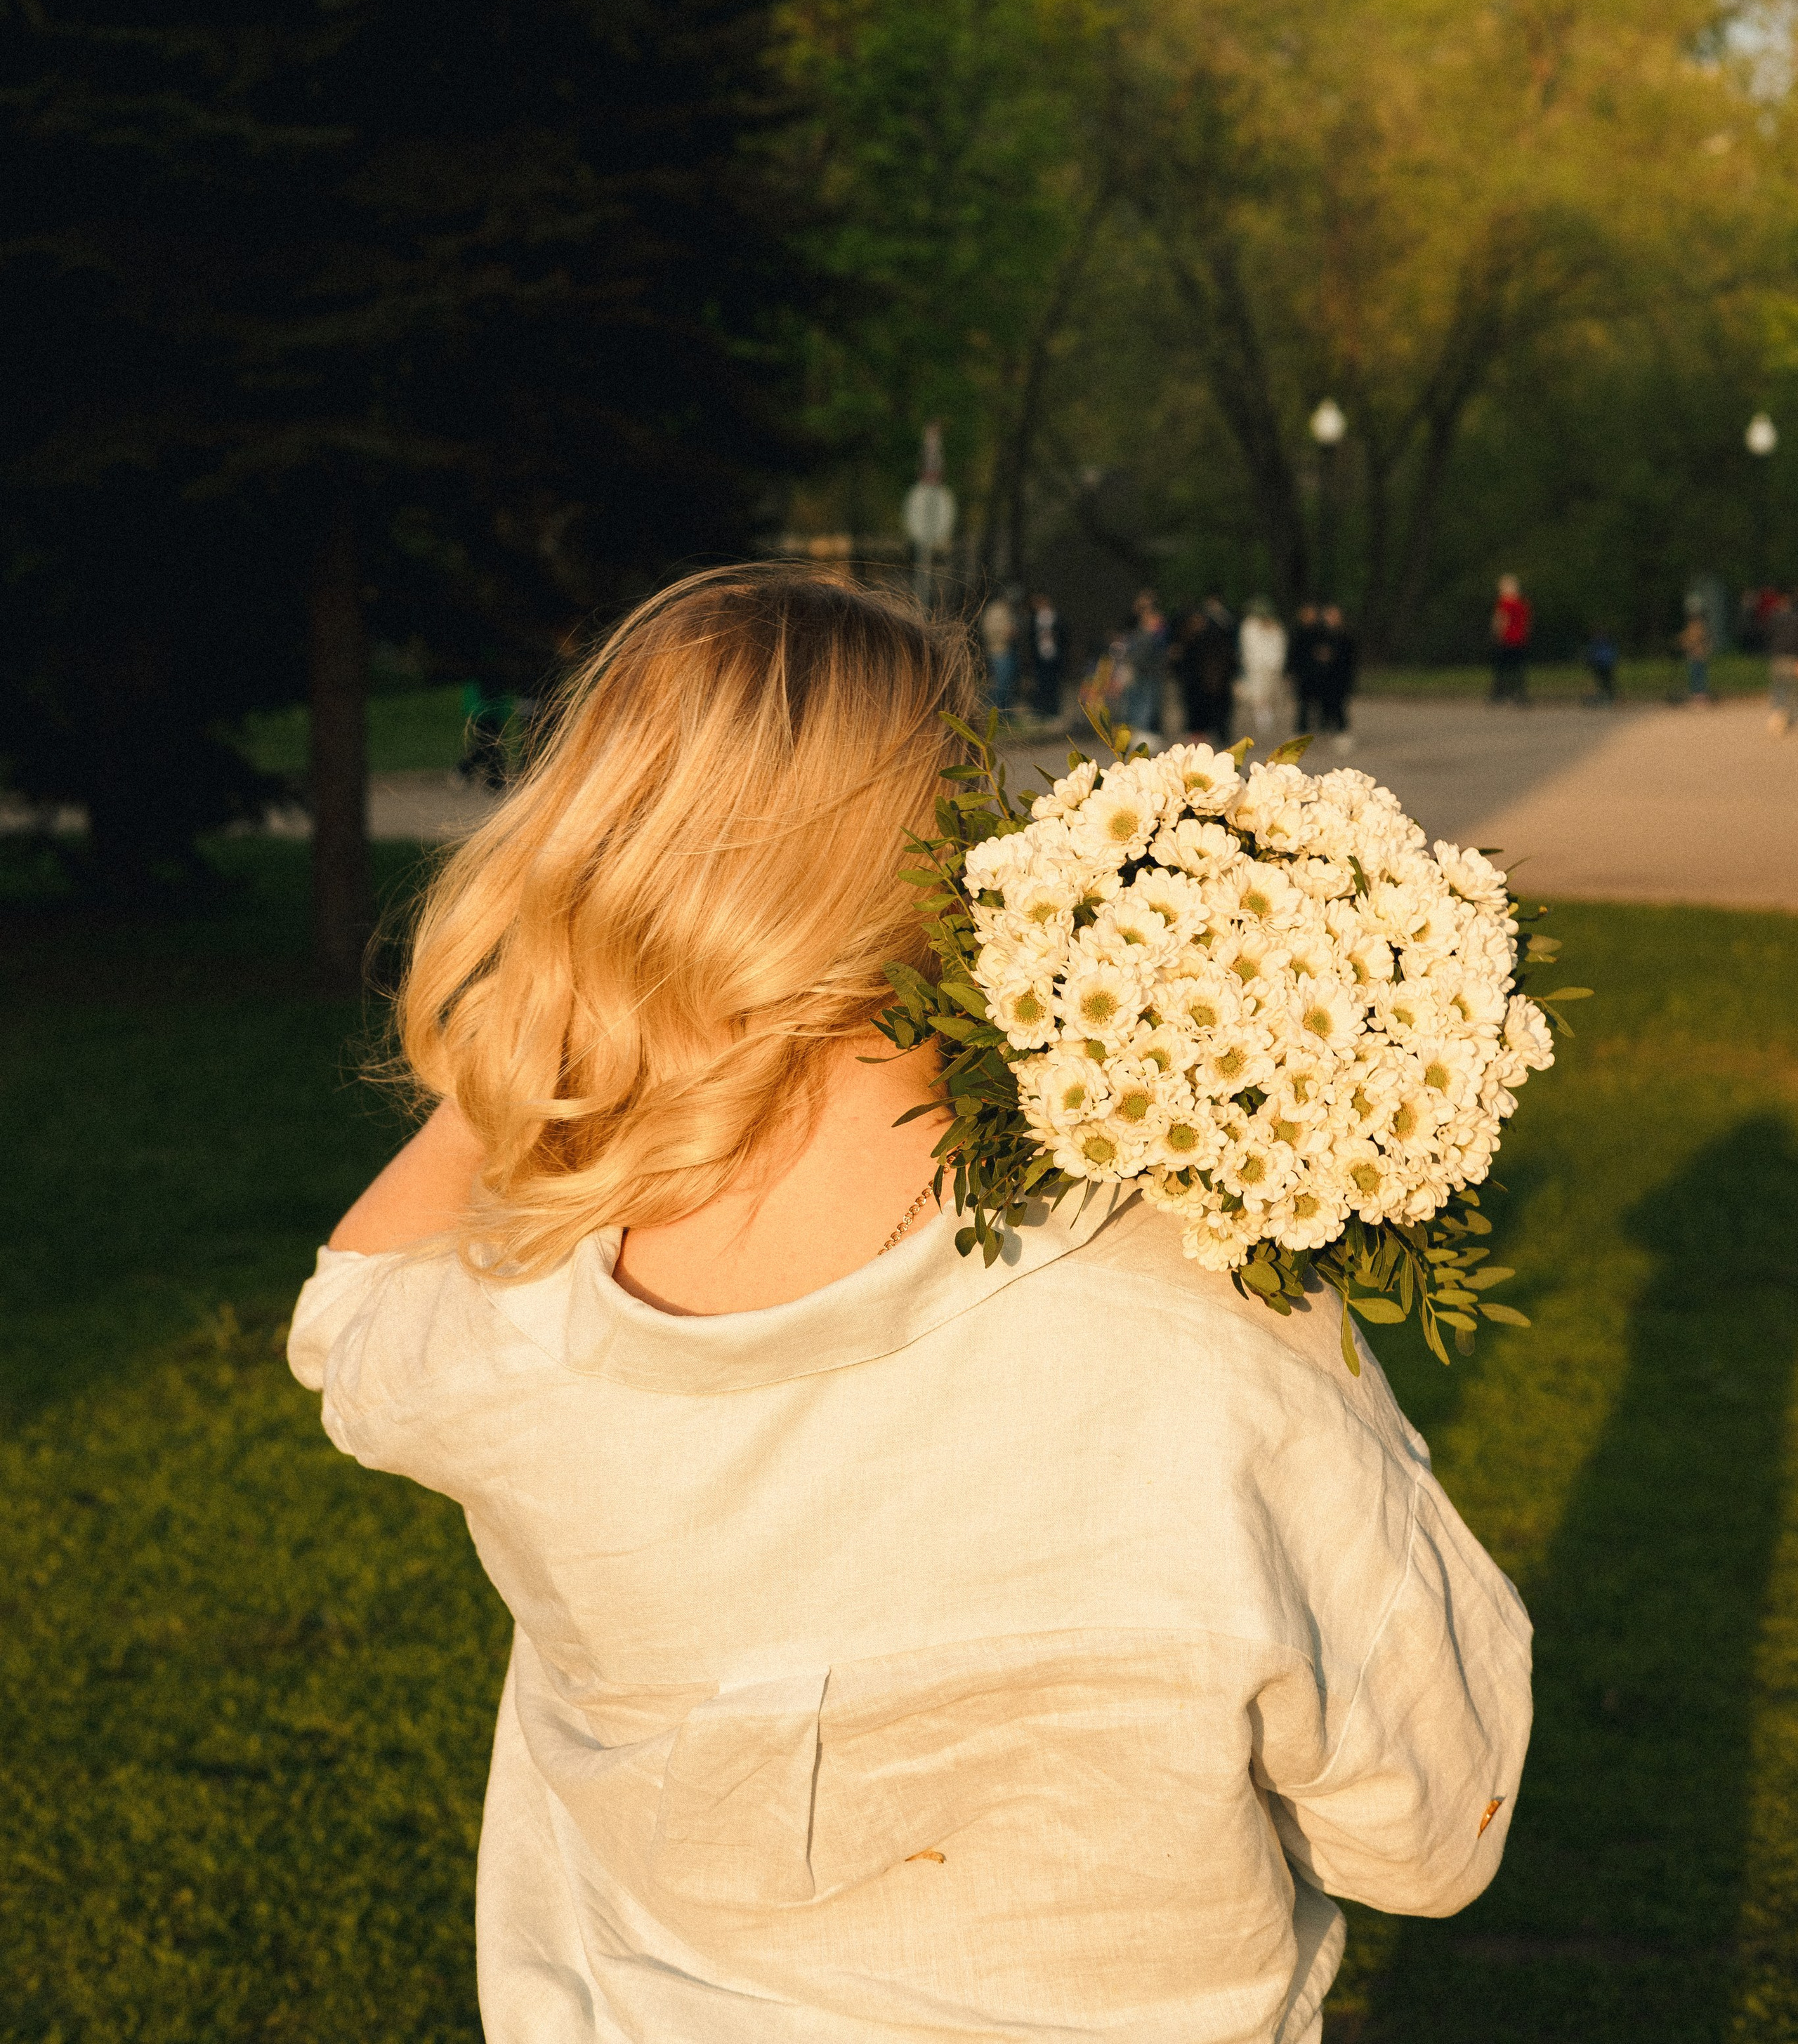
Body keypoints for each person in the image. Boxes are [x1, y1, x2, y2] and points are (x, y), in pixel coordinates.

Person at [288, 568, 1531, 2043]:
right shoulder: (1199, 1335)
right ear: (962, 853)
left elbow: (348, 1313)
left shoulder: (519, 1338)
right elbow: (1432, 1831)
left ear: (591, 848)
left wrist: (543, 1033)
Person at [1179, 593, 1239, 746]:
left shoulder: (1215, 635)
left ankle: (1220, 736)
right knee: (1198, 711)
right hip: (1198, 682)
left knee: (1219, 710)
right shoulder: (1188, 639)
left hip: (1216, 680)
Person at [1238, 597, 1289, 751]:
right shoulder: (1249, 627)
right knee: (1259, 696)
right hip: (1256, 668)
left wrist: (1277, 665)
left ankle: (1267, 723)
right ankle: (1263, 725)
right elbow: (1249, 649)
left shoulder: (1276, 627)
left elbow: (1280, 647)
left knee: (1271, 696)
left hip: (1272, 668)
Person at [1122, 589, 1168, 747]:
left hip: (1151, 670)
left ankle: (1147, 733)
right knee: (1136, 702)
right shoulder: (1135, 624)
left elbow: (1160, 646)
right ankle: (1137, 732)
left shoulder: (1157, 624)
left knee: (1149, 703)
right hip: (1138, 669)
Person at [1316, 604, 1358, 746]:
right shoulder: (1319, 634)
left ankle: (1342, 733)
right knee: (1324, 706)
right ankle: (1325, 732)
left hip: (1340, 677)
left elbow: (1350, 659)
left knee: (1339, 706)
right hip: (1323, 678)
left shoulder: (1345, 635)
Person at [1489, 576, 1532, 706]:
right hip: (1520, 639)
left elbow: (1502, 620)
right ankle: (1519, 694)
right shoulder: (1523, 604)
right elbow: (1526, 622)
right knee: (1518, 668)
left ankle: (1499, 694)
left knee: (1501, 668)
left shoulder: (1504, 603)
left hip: (1506, 639)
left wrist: (1497, 633)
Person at [1288, 603, 1327, 735]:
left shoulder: (1321, 632)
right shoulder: (1298, 633)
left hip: (1319, 673)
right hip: (1303, 674)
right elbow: (1293, 654)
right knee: (1303, 703)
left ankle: (1322, 726)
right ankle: (1302, 728)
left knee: (1321, 702)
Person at [979, 588, 1019, 715]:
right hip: (999, 651)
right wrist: (1007, 634)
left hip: (1006, 651)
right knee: (1000, 684)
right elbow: (990, 631)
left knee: (1007, 683)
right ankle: (998, 713)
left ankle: (1005, 713)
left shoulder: (1006, 610)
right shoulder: (996, 611)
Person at [1028, 592, 1063, 723]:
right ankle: (1042, 710)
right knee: (1041, 682)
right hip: (1040, 655)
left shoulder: (1056, 616)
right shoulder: (1035, 618)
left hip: (1054, 654)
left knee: (1053, 682)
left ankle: (1053, 710)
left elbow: (1064, 633)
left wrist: (1055, 636)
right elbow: (1031, 635)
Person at [1766, 588, 1798, 737]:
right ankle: (1790, 721)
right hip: (1791, 658)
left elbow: (1768, 635)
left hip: (1777, 657)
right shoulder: (1795, 620)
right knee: (1793, 692)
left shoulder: (1774, 619)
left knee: (1778, 689)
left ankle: (1777, 717)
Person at [1679, 603, 1714, 706]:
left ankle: (1700, 696)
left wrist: (1688, 643)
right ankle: (1696, 695)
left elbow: (1695, 639)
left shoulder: (1699, 626)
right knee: (1695, 675)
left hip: (1699, 655)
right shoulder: (1692, 626)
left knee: (1699, 675)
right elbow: (1687, 638)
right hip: (1693, 656)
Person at [1582, 626, 1619, 706]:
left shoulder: (1605, 643)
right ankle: (1606, 697)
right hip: (1599, 666)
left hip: (1606, 665)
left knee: (1607, 682)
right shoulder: (1596, 644)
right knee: (1603, 682)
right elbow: (1591, 655)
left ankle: (1609, 698)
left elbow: (1611, 654)